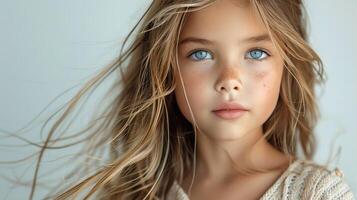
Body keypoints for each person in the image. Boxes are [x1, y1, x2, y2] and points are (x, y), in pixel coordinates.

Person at [8, 0, 355, 199]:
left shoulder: (318, 193)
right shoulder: (145, 193)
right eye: (201, 54)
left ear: (287, 66)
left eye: (257, 52)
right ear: (165, 70)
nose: (229, 81)